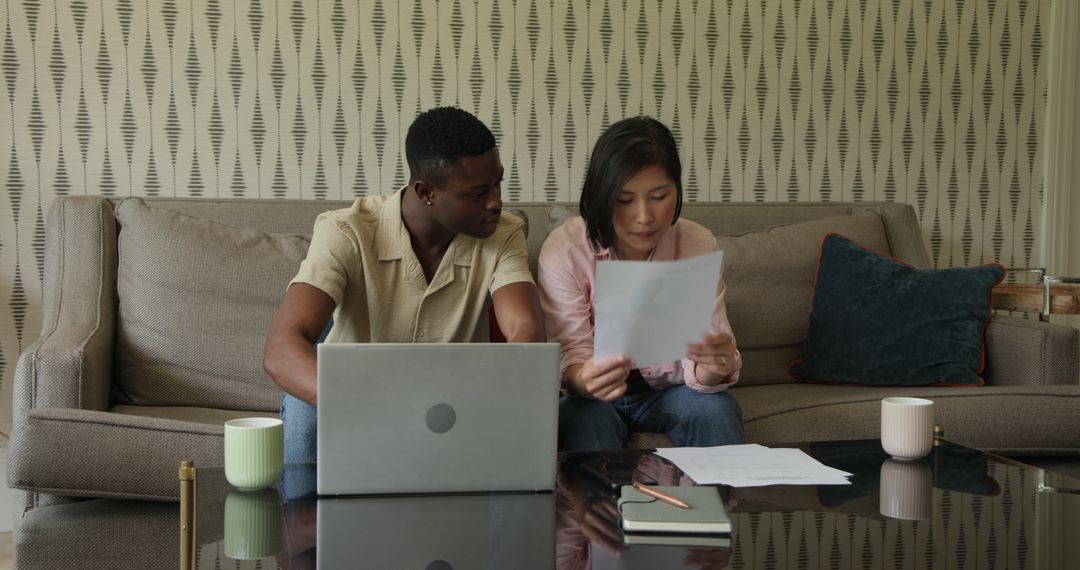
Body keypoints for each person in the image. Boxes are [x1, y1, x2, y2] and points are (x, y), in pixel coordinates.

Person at [264, 107, 545, 464]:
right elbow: (281, 348)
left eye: (498, 183)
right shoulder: (345, 231)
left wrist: (482, 394)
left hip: (454, 404)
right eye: (477, 193)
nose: (496, 202)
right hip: (356, 401)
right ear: (426, 191)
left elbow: (526, 332)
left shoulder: (503, 233)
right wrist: (378, 408)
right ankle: (303, 517)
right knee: (305, 410)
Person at [537, 116, 744, 452]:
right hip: (592, 400)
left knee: (717, 410)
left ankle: (721, 505)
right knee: (580, 417)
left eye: (659, 196)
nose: (645, 216)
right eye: (624, 200)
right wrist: (584, 378)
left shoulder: (697, 243)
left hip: (667, 391)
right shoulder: (566, 249)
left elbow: (707, 361)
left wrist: (714, 367)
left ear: (676, 190)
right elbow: (570, 357)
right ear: (601, 195)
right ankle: (595, 507)